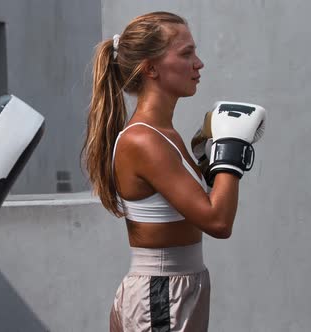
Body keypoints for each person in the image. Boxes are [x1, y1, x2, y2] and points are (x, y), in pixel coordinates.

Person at [82, 12, 265, 331]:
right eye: (186, 53)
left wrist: (210, 163)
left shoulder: (165, 134)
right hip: (161, 295)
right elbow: (218, 222)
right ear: (151, 68)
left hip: (172, 291)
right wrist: (230, 154)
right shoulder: (144, 140)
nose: (199, 63)